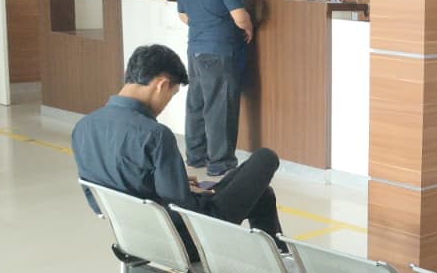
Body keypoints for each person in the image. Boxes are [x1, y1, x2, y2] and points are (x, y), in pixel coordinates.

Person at [71, 44, 283, 242]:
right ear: (161, 84)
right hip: (187, 238)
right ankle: (279, 257)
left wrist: (179, 183)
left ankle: (279, 257)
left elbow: (102, 199)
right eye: (170, 95)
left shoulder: (83, 127)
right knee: (265, 158)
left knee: (261, 193)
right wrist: (187, 192)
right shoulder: (155, 135)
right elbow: (181, 208)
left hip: (132, 237)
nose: (166, 104)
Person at [176, 0, 252, 179]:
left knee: (197, 103)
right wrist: (248, 26)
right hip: (220, 51)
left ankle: (195, 156)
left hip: (195, 50)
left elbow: (183, 16)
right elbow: (239, 17)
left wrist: (203, 24)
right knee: (220, 107)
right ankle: (220, 163)